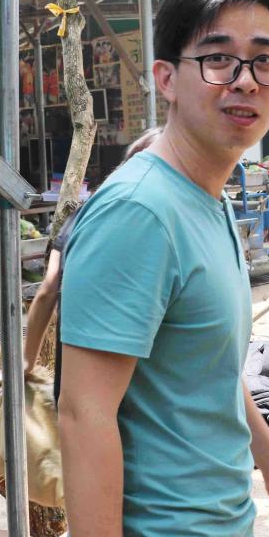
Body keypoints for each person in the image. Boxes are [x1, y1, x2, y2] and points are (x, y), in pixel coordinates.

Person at [58, 0, 269, 537]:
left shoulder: (211, 200)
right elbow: (83, 416)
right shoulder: (140, 212)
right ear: (166, 79)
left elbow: (213, 369)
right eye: (217, 59)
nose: (245, 80)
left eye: (263, 61)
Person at [23, 127, 163, 395]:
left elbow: (47, 291)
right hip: (139, 385)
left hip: (76, 380)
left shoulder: (83, 214)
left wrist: (27, 362)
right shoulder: (157, 220)